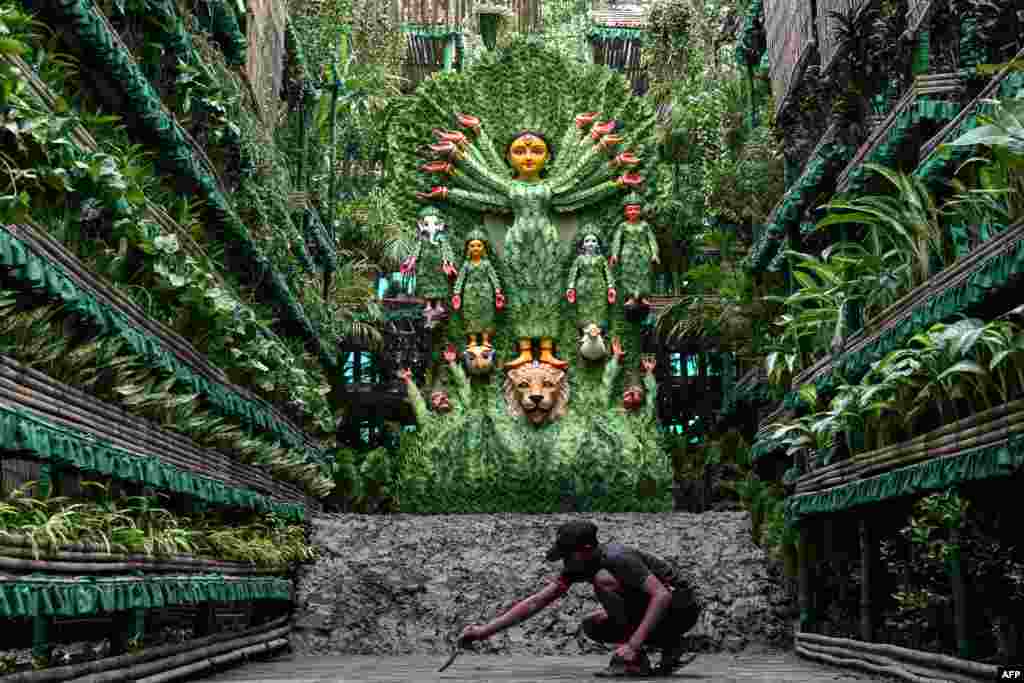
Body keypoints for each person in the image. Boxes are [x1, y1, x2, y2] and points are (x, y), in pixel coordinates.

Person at [459, 520, 701, 677]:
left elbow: (661, 595)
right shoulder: (579, 565)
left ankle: (638, 656)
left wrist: (633, 645)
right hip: (657, 609)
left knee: (603, 582)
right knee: (593, 624)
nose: (564, 563)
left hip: (681, 607)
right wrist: (483, 632)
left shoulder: (617, 558)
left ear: (585, 550)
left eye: (567, 556)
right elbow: (536, 602)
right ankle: (669, 645)